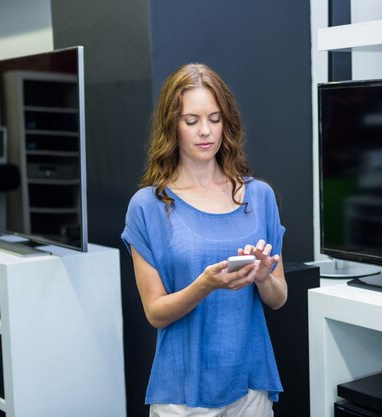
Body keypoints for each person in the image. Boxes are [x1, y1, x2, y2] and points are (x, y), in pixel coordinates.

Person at [121, 63, 287, 417]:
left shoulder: (260, 197)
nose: (205, 131)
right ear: (172, 126)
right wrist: (205, 285)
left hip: (250, 386)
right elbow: (155, 313)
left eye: (214, 118)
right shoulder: (148, 206)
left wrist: (262, 276)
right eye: (191, 120)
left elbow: (278, 298)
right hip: (181, 393)